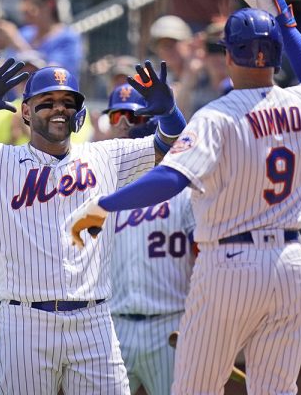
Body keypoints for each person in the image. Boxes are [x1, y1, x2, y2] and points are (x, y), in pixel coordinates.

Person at [68, 0, 301, 393]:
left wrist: (106, 204)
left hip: (230, 265)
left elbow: (170, 180)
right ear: (275, 53)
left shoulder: (217, 116)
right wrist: (284, 21)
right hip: (290, 265)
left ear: (229, 55)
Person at [0, 56, 187, 393]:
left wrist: (169, 112)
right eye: (47, 102)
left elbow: (176, 146)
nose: (58, 109)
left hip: (94, 320)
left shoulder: (104, 156)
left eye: (67, 101)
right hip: (26, 321)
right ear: (26, 112)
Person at [104, 83, 196, 395]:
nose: (126, 124)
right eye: (117, 116)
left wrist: (203, 318)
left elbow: (206, 258)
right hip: (114, 325)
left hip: (171, 324)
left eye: (135, 117)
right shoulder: (100, 183)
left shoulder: (183, 186)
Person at [0, 0, 83, 78]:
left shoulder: (68, 38)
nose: (24, 9)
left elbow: (50, 77)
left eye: (30, 4)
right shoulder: (25, 33)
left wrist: (17, 43)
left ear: (50, 4)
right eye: (23, 3)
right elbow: (2, 75)